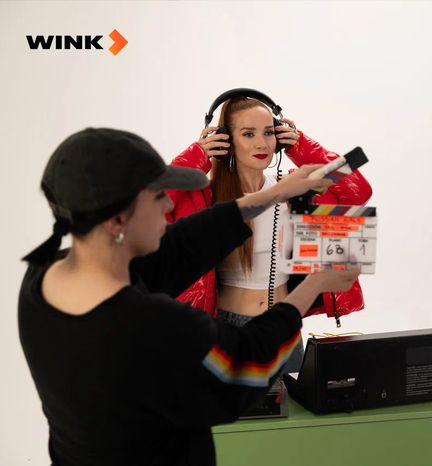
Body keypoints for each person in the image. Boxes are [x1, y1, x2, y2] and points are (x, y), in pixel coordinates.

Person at [18, 128, 360, 465]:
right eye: (157, 196)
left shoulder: (41, 279)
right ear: (118, 220)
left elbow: (180, 245)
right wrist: (313, 285)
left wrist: (276, 193)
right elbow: (245, 367)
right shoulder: (153, 323)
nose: (169, 203)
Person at [168, 95, 372, 371]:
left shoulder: (294, 186)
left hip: (284, 330)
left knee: (293, 401)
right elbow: (154, 202)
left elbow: (359, 190)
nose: (262, 143)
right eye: (248, 134)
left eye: (269, 132)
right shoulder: (205, 196)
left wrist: (303, 147)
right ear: (225, 140)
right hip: (227, 332)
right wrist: (197, 157)